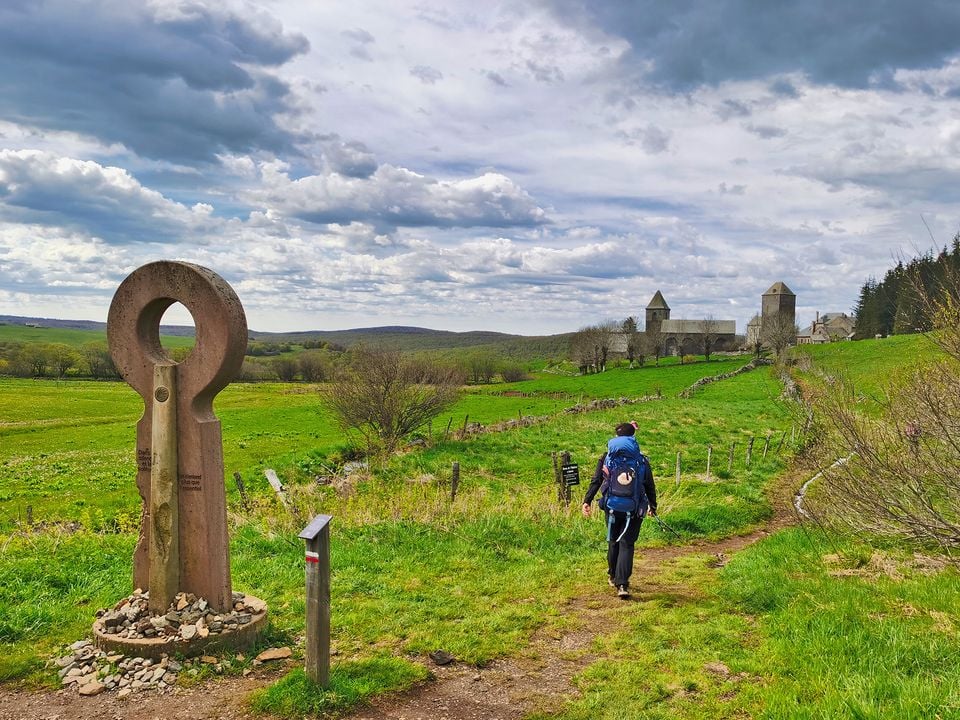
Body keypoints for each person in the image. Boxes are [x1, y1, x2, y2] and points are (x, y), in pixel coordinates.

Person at [581, 421, 657, 599]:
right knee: (627, 544)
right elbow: (649, 485)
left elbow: (597, 480)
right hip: (634, 508)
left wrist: (587, 500)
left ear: (616, 437)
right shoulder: (642, 460)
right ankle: (622, 584)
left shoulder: (606, 458)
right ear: (633, 438)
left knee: (613, 541)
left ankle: (613, 575)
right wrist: (652, 506)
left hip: (611, 506)